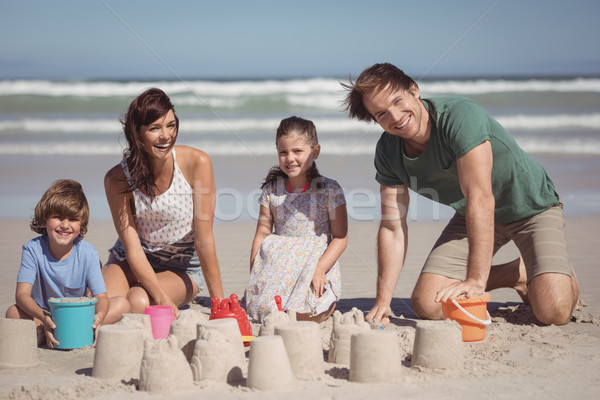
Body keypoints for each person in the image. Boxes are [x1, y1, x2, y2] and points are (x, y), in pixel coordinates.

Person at [342, 62, 579, 326]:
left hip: (531, 207)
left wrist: (476, 281)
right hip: (471, 215)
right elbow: (392, 227)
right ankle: (518, 274)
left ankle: (550, 274)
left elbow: (481, 197)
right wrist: (383, 302)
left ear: (414, 90)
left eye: (398, 101)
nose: (395, 117)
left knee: (553, 313)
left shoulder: (460, 116)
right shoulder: (388, 151)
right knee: (428, 303)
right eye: (381, 114)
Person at [102, 88, 224, 324]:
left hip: (182, 268)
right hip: (130, 259)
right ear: (137, 134)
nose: (166, 135)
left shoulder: (197, 163)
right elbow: (134, 250)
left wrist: (219, 303)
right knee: (102, 303)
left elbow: (204, 240)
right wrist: (161, 296)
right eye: (154, 128)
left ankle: (153, 292)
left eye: (171, 125)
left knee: (138, 301)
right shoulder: (117, 180)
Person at [245, 116, 348, 323]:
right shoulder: (271, 191)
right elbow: (262, 234)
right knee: (265, 314)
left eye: (297, 151)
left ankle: (327, 301)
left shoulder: (330, 190)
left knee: (306, 315)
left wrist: (319, 269)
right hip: (277, 265)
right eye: (283, 152)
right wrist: (255, 273)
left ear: (315, 151)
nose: (290, 158)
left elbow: (340, 238)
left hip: (314, 262)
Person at [5, 179, 109, 348]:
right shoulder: (32, 250)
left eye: (73, 219)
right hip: (44, 313)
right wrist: (44, 316)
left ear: (81, 223)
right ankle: (51, 329)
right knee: (13, 313)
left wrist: (99, 318)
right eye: (58, 217)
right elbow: (22, 295)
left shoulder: (88, 252)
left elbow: (101, 297)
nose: (65, 225)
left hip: (77, 313)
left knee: (120, 304)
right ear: (43, 220)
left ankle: (83, 329)